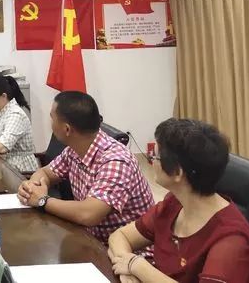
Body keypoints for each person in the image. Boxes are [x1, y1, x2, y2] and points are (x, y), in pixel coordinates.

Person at [108, 118, 249, 283]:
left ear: (178, 172)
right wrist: (127, 269)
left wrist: (137, 266)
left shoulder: (232, 241)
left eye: (155, 156)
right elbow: (120, 236)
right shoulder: (174, 203)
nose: (151, 161)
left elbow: (134, 263)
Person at [17, 91, 154, 245]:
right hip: (91, 239)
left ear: (67, 129)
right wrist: (32, 188)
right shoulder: (75, 149)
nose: (50, 124)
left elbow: (89, 214)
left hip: (126, 251)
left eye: (52, 118)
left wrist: (42, 201)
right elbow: (46, 173)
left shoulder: (116, 161)